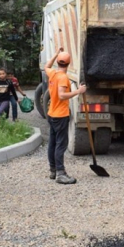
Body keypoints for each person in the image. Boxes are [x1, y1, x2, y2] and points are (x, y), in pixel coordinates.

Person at [45, 49, 86, 185]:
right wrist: (78, 91)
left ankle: (53, 170)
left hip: (51, 113)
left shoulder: (53, 73)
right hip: (60, 115)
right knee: (60, 145)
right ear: (69, 64)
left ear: (58, 62)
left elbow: (46, 66)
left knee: (52, 142)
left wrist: (56, 53)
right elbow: (62, 95)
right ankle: (60, 174)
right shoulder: (62, 77)